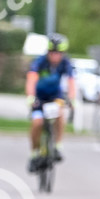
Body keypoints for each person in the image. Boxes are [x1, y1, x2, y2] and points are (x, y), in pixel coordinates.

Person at [26, 34, 77, 170]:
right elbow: (31, 79)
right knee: (37, 123)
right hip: (39, 97)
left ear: (63, 53)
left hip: (55, 97)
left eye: (58, 53)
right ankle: (34, 153)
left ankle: (57, 146)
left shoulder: (66, 63)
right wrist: (30, 96)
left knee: (60, 113)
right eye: (52, 53)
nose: (55, 56)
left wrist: (72, 99)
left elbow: (71, 82)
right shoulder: (39, 62)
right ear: (48, 52)